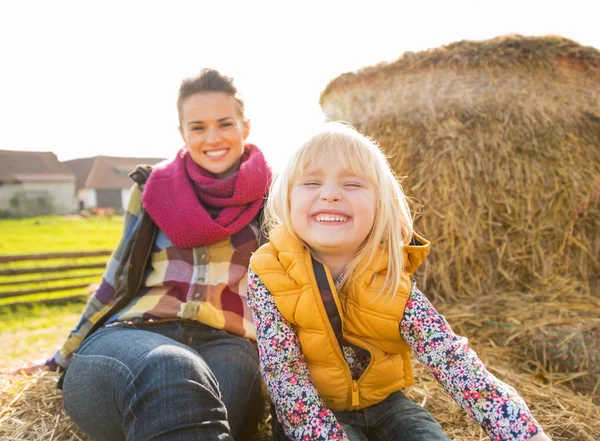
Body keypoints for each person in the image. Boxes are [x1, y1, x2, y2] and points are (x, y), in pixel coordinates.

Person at [247, 122, 551, 441]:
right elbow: (285, 376)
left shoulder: (392, 274)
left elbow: (452, 358)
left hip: (387, 405)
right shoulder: (269, 272)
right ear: (288, 200)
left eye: (352, 184)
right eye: (311, 182)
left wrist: (521, 432)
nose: (331, 194)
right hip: (311, 413)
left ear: (380, 205)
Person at [20, 69, 272, 441]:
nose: (213, 137)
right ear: (182, 133)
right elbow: (115, 280)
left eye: (225, 124)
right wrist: (58, 358)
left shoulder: (275, 195)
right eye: (198, 127)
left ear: (245, 127)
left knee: (202, 405)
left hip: (229, 342)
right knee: (170, 368)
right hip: (136, 332)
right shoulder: (152, 189)